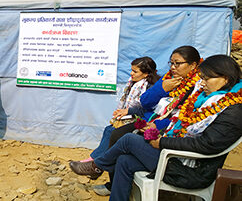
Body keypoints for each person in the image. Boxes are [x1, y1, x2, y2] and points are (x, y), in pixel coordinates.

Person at [71, 54, 242, 201]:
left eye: (207, 79)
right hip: (175, 155)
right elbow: (155, 107)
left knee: (129, 139)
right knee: (124, 160)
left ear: (225, 78)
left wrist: (162, 142)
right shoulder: (204, 98)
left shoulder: (233, 109)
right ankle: (102, 172)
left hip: (190, 168)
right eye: (201, 78)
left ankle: (97, 166)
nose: (202, 83)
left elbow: (206, 145)